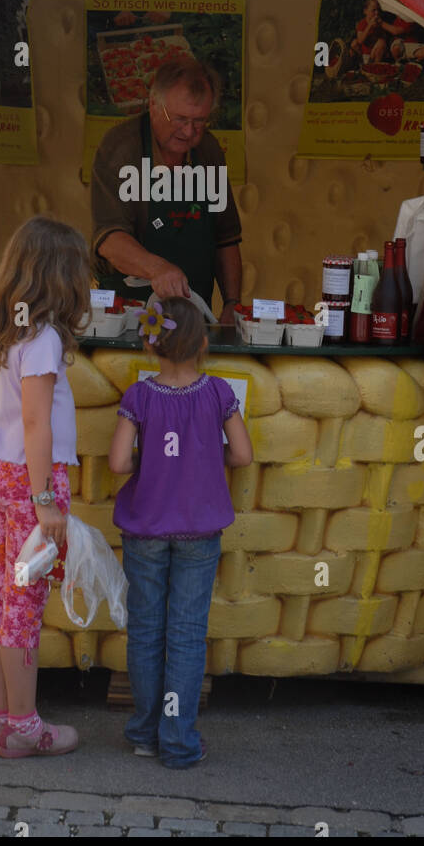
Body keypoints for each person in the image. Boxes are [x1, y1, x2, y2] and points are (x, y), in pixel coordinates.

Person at [107, 296, 253, 767]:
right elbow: (244, 455)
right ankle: (179, 741)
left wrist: (143, 464)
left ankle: (144, 733)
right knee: (187, 635)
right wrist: (214, 459)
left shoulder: (139, 397)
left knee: (146, 631)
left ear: (152, 346)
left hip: (145, 527)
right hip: (199, 529)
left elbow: (116, 462)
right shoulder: (218, 394)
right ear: (204, 345)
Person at [0, 216, 90, 758]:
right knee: (24, 605)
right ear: (60, 279)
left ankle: (0, 719)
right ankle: (25, 725)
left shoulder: (5, 327)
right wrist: (46, 500)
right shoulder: (42, 338)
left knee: (0, 595)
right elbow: (37, 422)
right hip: (28, 480)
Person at [91, 55, 243, 324]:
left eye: (199, 121)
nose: (189, 132)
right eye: (180, 119)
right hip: (127, 316)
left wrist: (232, 302)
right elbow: (109, 238)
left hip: (193, 314)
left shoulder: (208, 151)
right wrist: (157, 269)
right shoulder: (122, 148)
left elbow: (226, 238)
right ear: (153, 105)